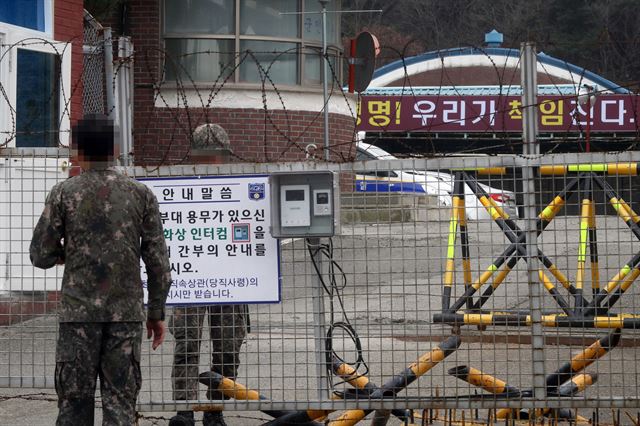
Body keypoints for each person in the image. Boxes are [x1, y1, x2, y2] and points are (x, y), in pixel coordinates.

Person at [30, 114, 172, 425]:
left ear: (78, 150)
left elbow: (40, 254)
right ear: (116, 149)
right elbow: (159, 263)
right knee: (120, 405)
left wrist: (67, 253)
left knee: (74, 406)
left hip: (77, 316)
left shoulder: (64, 193)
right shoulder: (140, 194)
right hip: (126, 315)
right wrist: (156, 313)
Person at [169, 305, 248, 426]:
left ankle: (214, 410)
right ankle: (185, 411)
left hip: (228, 290)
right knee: (186, 347)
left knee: (228, 350)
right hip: (192, 290)